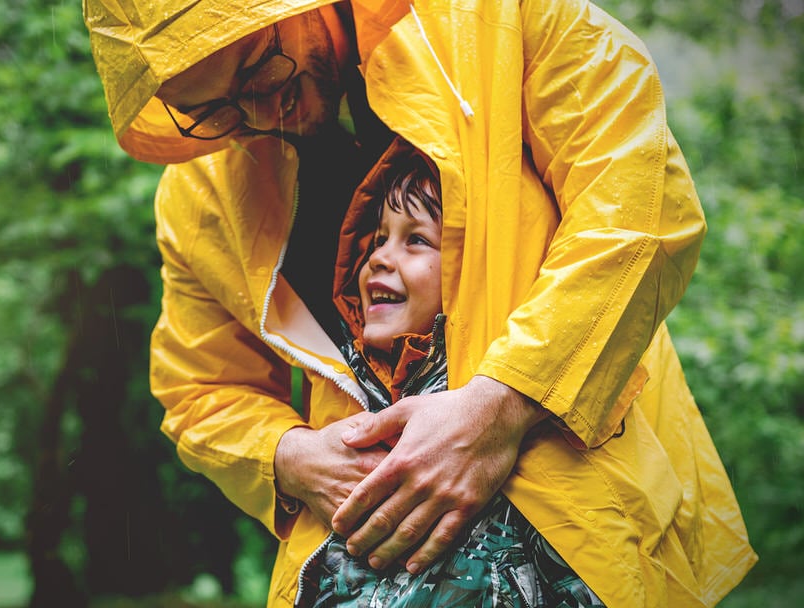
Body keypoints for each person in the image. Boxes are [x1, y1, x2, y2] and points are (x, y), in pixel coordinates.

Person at [83, 1, 757, 606]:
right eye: (215, 112)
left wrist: (503, 405)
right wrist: (289, 457)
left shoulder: (509, 19)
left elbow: (638, 214)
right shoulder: (198, 195)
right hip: (360, 575)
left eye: (259, 71)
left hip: (583, 543)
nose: (260, 116)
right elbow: (200, 388)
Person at [297, 137, 604, 607]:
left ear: (470, 271)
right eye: (378, 238)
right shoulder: (347, 384)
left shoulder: (521, 403)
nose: (378, 257)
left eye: (415, 240)